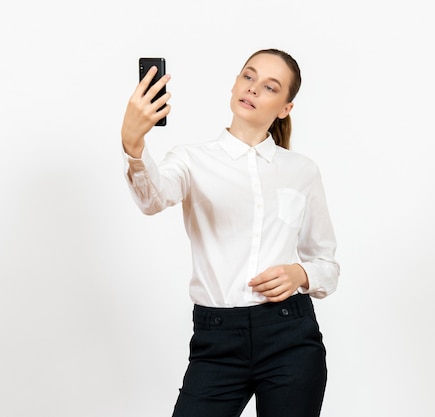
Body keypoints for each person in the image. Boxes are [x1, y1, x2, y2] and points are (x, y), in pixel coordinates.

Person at [120, 48, 340, 417]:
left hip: (290, 335)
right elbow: (153, 199)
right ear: (235, 84)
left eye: (270, 87)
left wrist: (300, 273)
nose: (253, 89)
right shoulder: (192, 159)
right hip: (216, 339)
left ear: (285, 108)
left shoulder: (302, 171)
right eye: (248, 77)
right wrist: (133, 146)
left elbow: (326, 264)